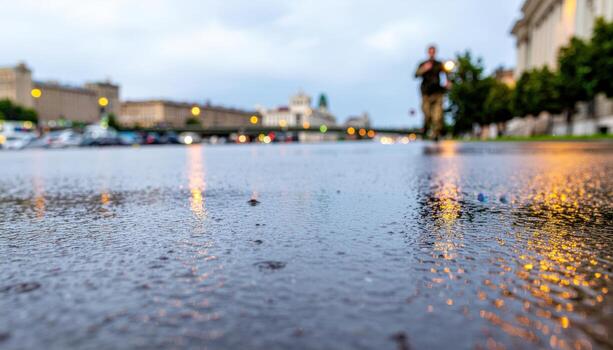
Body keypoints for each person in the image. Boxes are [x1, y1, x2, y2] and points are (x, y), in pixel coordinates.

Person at [415, 45, 450, 141]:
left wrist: (448, 81)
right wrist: (424, 69)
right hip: (426, 93)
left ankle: (435, 134)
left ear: (435, 53)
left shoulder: (439, 64)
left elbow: (447, 72)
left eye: (433, 52)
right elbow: (416, 74)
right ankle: (426, 127)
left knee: (438, 116)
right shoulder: (423, 64)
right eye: (430, 52)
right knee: (427, 115)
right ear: (428, 53)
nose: (432, 53)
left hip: (437, 92)